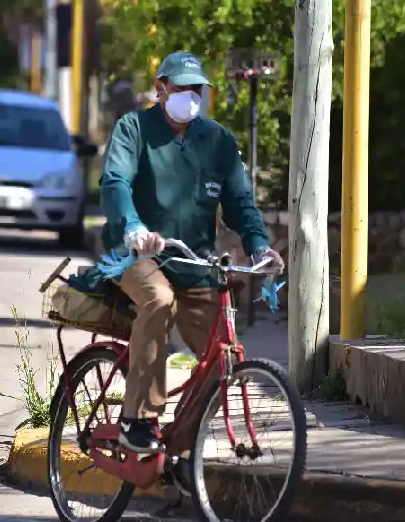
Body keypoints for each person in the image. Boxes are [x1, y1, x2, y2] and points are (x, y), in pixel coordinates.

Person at [100, 51, 284, 454]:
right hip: (135, 254)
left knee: (223, 358)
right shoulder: (134, 128)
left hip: (193, 259)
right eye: (181, 87)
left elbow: (240, 202)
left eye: (196, 89)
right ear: (161, 87)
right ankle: (139, 419)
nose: (190, 96)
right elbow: (115, 182)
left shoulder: (216, 140)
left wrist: (258, 246)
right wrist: (133, 227)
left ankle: (179, 451)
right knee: (159, 300)